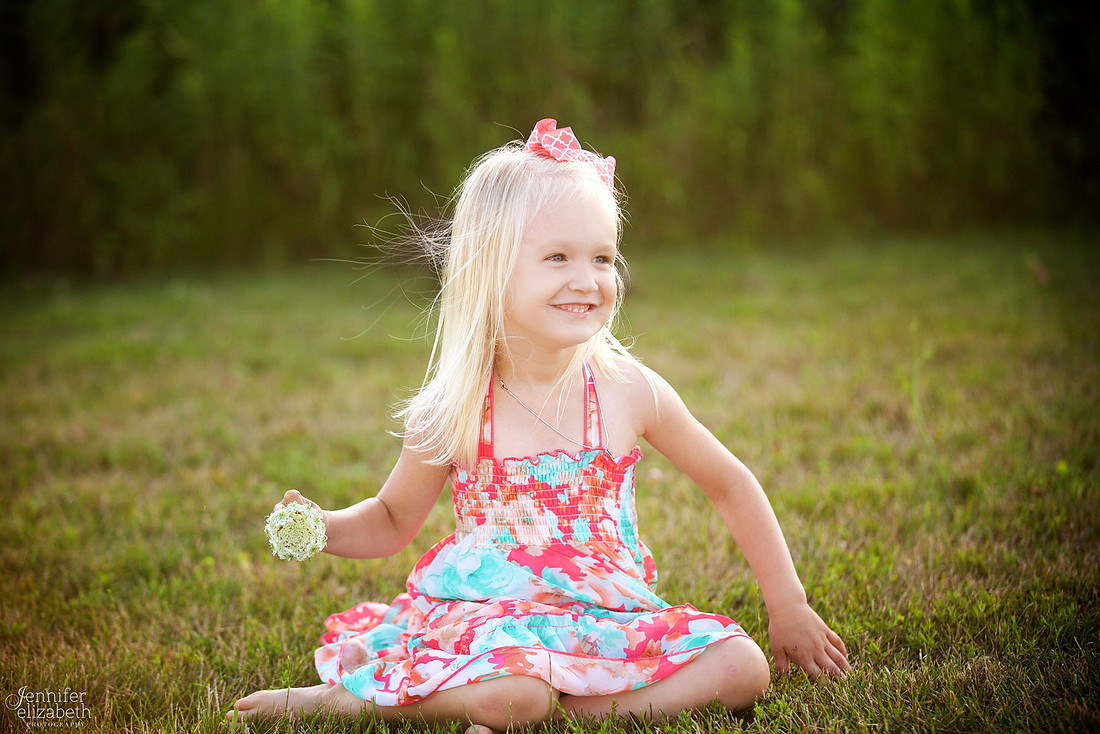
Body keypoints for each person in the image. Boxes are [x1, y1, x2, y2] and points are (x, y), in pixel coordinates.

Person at [229, 119, 849, 732]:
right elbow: (392, 519)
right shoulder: (457, 405)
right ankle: (351, 702)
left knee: (742, 668)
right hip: (490, 623)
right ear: (491, 267)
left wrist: (787, 604)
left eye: (602, 258)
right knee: (518, 691)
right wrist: (323, 527)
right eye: (557, 257)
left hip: (602, 619)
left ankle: (559, 712)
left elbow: (730, 485)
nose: (587, 279)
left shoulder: (628, 390)